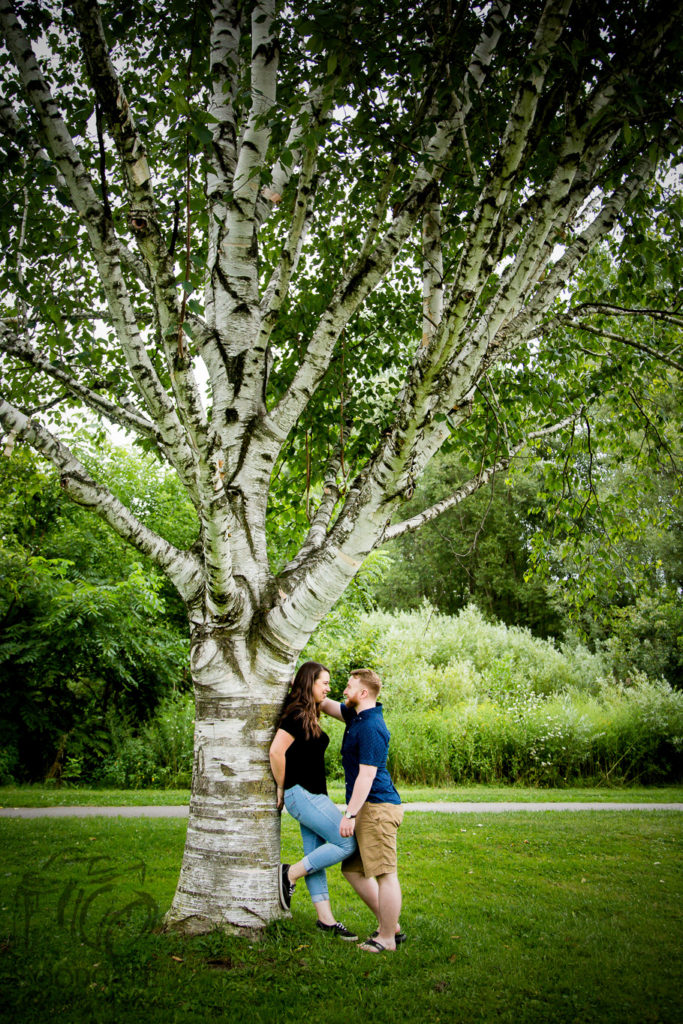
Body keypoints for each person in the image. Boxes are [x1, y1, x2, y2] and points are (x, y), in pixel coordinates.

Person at [269, 660, 358, 939]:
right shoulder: (295, 714)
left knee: (315, 857)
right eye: (325, 683)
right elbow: (275, 752)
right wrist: (282, 788)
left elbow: (349, 715)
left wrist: (353, 696)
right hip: (302, 794)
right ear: (310, 683)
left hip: (313, 794)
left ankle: (326, 921)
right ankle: (289, 874)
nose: (329, 688)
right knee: (347, 841)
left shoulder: (313, 709)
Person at [321, 668, 405, 953]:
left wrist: (350, 814)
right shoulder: (356, 716)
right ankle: (389, 924)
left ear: (364, 692)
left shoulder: (371, 727)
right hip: (368, 807)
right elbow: (325, 704)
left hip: (377, 807)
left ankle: (387, 939)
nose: (343, 691)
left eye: (348, 686)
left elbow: (367, 776)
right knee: (353, 869)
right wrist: (303, 683)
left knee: (384, 873)